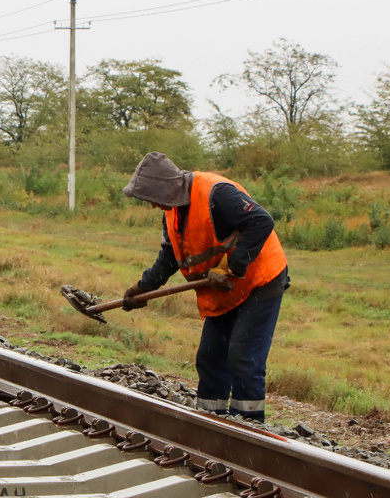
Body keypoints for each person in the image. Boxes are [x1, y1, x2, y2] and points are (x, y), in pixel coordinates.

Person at [121, 151, 288, 422]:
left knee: (243, 357)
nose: (152, 206)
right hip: (223, 289)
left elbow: (261, 221)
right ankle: (210, 425)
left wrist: (230, 266)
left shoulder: (216, 192)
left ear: (167, 187)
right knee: (210, 357)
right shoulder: (172, 210)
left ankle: (248, 429)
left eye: (151, 198)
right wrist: (143, 288)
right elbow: (170, 256)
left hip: (259, 279)